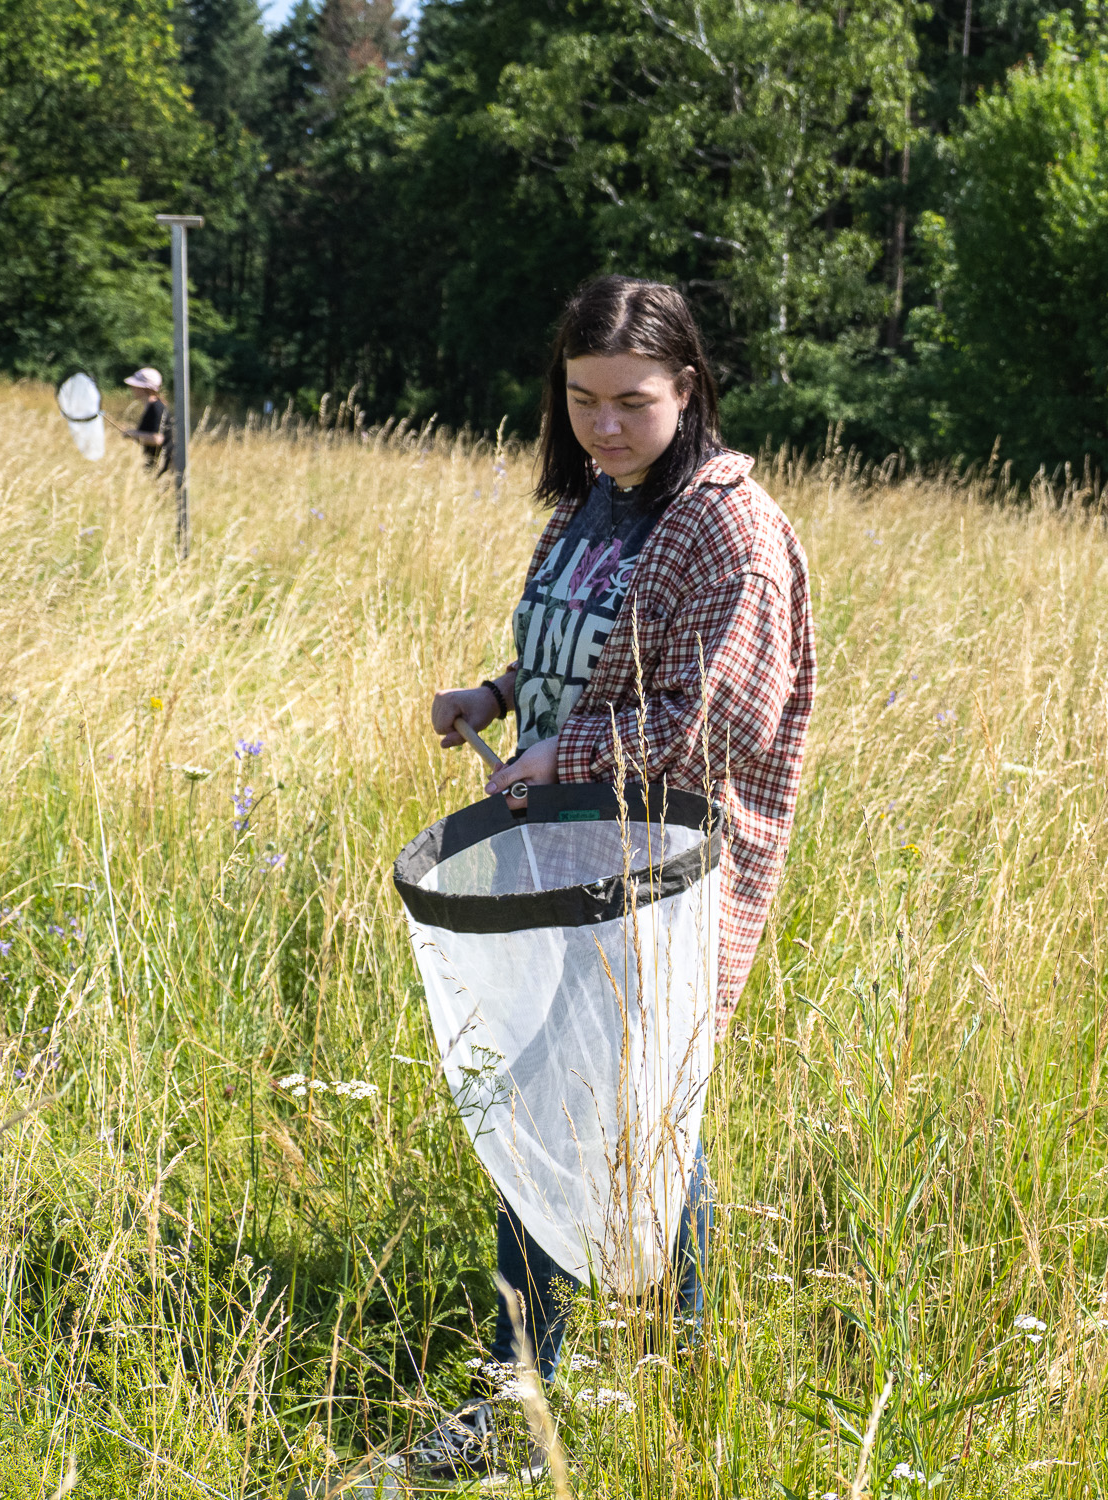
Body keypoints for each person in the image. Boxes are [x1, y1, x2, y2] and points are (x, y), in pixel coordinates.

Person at [407, 276, 817, 1479]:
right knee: (578, 1114)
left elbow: (720, 721)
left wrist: (559, 754)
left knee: (627, 1120)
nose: (601, 425)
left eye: (630, 402)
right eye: (580, 399)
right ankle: (567, 1393)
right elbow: (593, 658)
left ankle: (576, 1398)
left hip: (660, 881)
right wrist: (499, 696)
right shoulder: (601, 501)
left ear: (686, 388)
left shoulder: (727, 530)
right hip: (568, 862)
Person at [116, 367, 171, 471]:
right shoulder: (152, 406)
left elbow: (157, 439)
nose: (131, 388)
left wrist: (131, 433)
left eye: (135, 386)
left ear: (145, 389)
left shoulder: (156, 408)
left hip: (162, 467)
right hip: (155, 466)